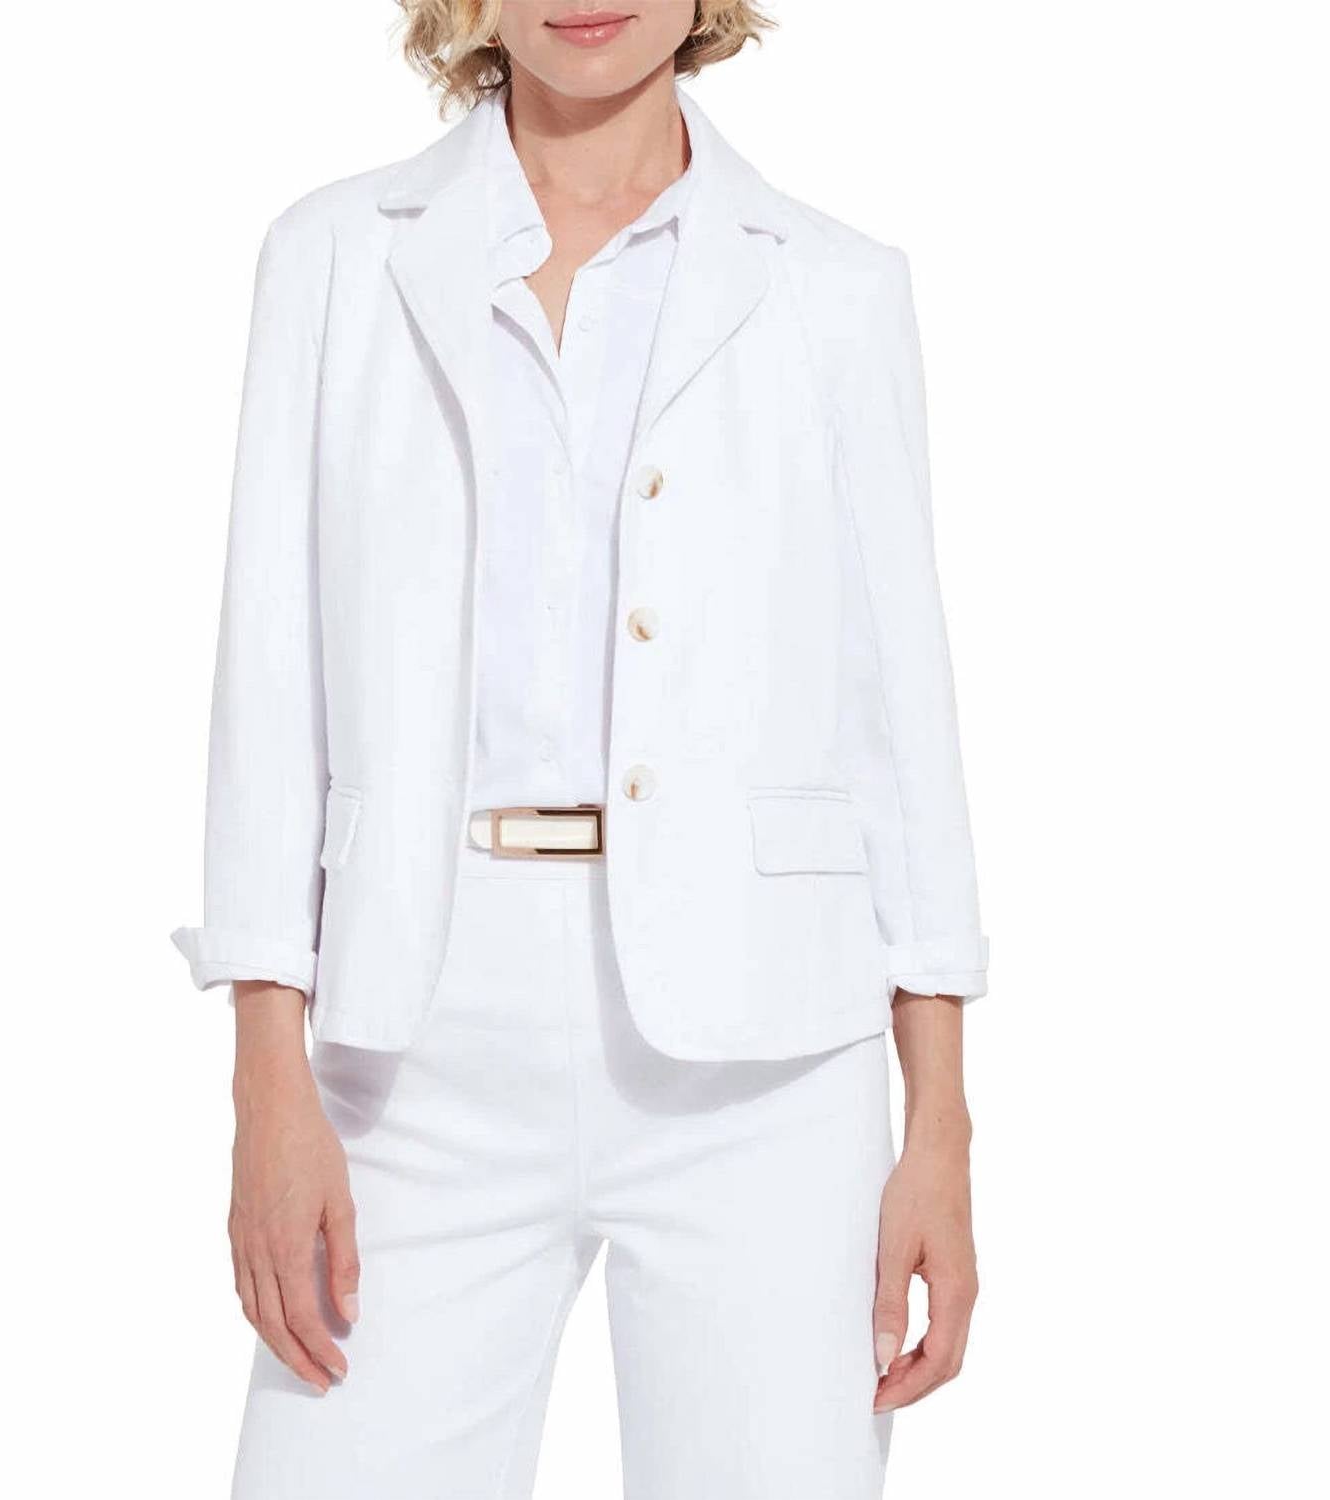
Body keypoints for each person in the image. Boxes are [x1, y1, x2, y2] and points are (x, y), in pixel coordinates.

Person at [172, 3, 988, 1495]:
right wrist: (263, 1085)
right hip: (411, 1049)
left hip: (767, 1065)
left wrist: (940, 1124)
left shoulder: (837, 286)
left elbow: (900, 719)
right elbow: (270, 685)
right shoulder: (335, 256)